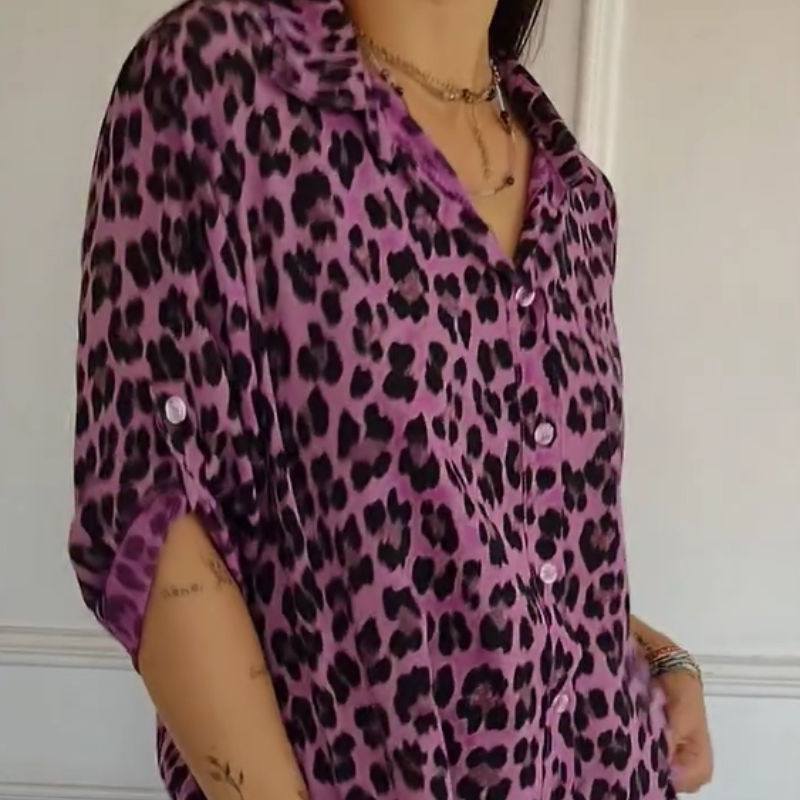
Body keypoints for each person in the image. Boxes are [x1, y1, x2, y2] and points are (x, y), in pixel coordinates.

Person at [68, 0, 714, 799]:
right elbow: (154, 504)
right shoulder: (224, 82)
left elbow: (517, 549)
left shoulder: (577, 201)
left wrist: (651, 656)